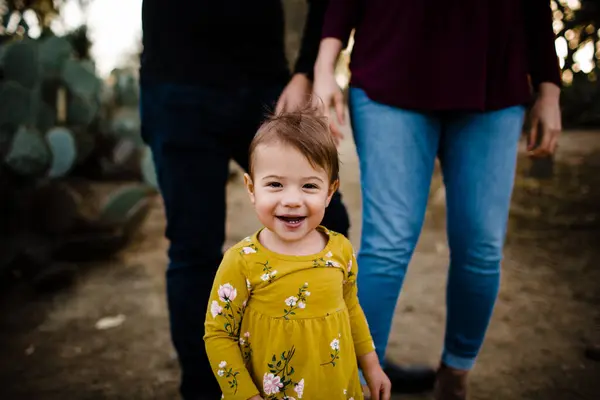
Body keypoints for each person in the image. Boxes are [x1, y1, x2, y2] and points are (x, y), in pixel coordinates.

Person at [139, 1, 434, 398]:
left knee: (331, 227)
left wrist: (304, 71)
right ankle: (204, 388)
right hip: (175, 80)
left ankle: (351, 355)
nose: (289, 200)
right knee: (193, 248)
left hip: (266, 81)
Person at [312, 1, 562, 399]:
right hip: (390, 72)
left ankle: (456, 371)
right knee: (388, 243)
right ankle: (355, 383)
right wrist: (324, 67)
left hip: (493, 81)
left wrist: (549, 86)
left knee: (481, 246)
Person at [204, 108, 391, 400]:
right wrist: (244, 394)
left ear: (330, 192)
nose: (292, 200)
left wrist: (372, 366)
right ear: (252, 189)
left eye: (309, 186)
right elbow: (218, 334)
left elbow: (352, 309)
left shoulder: (340, 250)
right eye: (275, 184)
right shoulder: (241, 261)